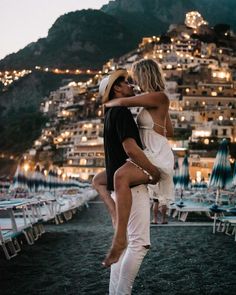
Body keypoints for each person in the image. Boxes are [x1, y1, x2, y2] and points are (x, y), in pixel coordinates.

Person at [93, 69, 160, 294]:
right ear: (117, 89)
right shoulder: (121, 112)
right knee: (139, 244)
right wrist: (153, 171)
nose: (131, 85)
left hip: (118, 191)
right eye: (127, 83)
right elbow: (131, 149)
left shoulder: (109, 116)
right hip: (132, 189)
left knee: (127, 246)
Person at [104, 59, 175, 233]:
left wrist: (106, 103)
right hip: (151, 149)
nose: (134, 82)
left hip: (156, 152)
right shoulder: (157, 99)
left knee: (119, 176)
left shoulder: (158, 97)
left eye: (135, 77)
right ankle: (120, 218)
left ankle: (121, 225)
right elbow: (170, 131)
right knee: (102, 178)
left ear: (145, 75)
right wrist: (158, 119)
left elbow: (122, 103)